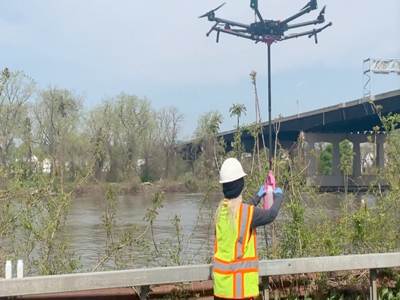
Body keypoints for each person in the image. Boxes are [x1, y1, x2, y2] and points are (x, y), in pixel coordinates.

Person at [213, 157, 284, 300]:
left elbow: (241, 212)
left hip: (221, 291)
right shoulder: (246, 214)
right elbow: (271, 215)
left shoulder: (220, 212)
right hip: (239, 292)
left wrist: (257, 197)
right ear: (241, 185)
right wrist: (279, 196)